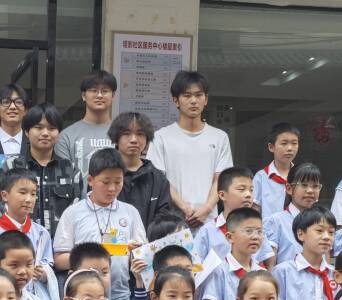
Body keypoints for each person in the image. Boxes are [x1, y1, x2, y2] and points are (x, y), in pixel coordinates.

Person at [53, 148, 146, 300]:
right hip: (83, 297)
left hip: (120, 294)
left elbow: (143, 258)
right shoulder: (73, 213)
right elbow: (59, 260)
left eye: (118, 182)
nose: (112, 188)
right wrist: (95, 253)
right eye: (105, 182)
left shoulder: (130, 212)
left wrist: (134, 253)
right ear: (90, 180)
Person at [148, 70, 233, 226]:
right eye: (187, 96)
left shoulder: (220, 137)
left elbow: (221, 179)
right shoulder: (160, 137)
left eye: (199, 95)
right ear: (176, 100)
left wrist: (206, 209)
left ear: (206, 99)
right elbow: (159, 179)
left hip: (209, 222)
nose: (193, 101)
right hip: (172, 223)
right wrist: (184, 207)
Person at [3, 103, 83, 238]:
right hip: (20, 244)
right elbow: (4, 209)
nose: (45, 133)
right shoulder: (11, 167)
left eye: (52, 128)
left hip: (60, 246)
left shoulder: (71, 170)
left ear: (58, 133)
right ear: (27, 132)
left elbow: (75, 214)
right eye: (38, 128)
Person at [193, 167, 275, 280]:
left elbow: (267, 261)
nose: (248, 194)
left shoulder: (257, 229)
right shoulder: (207, 231)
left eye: (251, 190)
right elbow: (195, 268)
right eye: (241, 189)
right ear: (222, 195)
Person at [274, 206, 338, 300]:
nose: (327, 237)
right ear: (301, 234)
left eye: (331, 232)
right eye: (319, 231)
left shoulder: (335, 275)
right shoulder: (283, 272)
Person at [202, 206, 268, 300]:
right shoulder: (219, 271)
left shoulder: (263, 273)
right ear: (229, 237)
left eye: (259, 232)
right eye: (248, 231)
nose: (255, 236)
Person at [0, 167, 53, 276]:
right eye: (22, 192)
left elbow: (48, 264)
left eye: (33, 194)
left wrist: (44, 274)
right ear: (5, 196)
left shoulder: (42, 233)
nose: (28, 199)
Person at [111, 110, 173, 230]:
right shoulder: (104, 174)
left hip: (148, 241)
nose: (134, 140)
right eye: (127, 134)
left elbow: (163, 220)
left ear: (147, 140)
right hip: (111, 241)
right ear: (116, 138)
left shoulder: (158, 179)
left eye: (140, 134)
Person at [55, 70, 117, 176]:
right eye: (94, 90)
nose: (99, 95)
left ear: (113, 96)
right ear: (84, 95)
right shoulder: (66, 136)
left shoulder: (123, 134)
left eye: (105, 91)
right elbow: (64, 178)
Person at [263, 162, 324, 264]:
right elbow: (270, 267)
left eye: (315, 186)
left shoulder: (323, 221)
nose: (310, 191)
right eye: (304, 185)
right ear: (289, 189)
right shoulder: (275, 221)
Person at [252, 123, 300, 218]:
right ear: (271, 147)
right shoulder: (261, 177)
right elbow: (254, 210)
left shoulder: (301, 176)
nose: (290, 148)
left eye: (294, 143)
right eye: (284, 143)